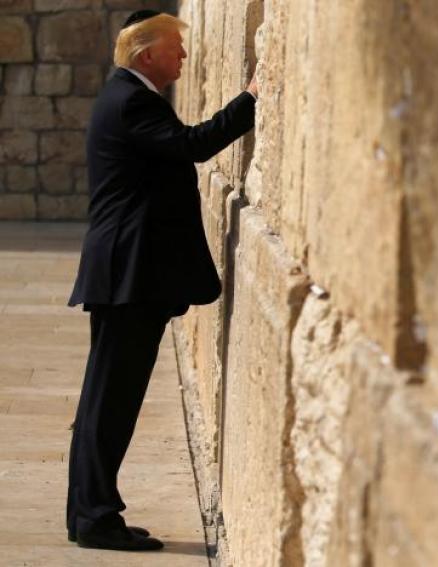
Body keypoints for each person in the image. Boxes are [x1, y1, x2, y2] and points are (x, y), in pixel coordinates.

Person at [65, 9, 258, 552]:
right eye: (175, 46)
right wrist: (253, 96)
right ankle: (96, 517)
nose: (184, 56)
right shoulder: (132, 101)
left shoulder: (124, 97)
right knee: (110, 401)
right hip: (130, 274)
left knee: (104, 400)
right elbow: (193, 145)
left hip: (127, 271)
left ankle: (88, 513)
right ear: (147, 53)